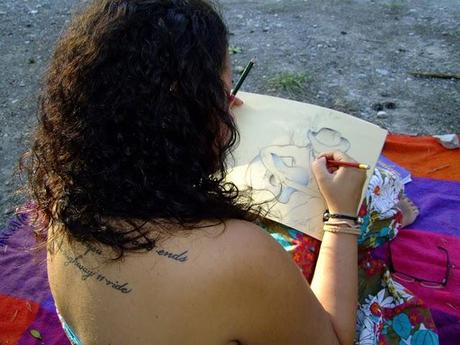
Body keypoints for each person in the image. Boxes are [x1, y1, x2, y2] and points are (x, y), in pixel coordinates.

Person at [20, 0, 407, 344]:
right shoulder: (240, 253)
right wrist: (340, 216)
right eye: (221, 92)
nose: (235, 103)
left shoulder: (63, 200)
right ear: (183, 117)